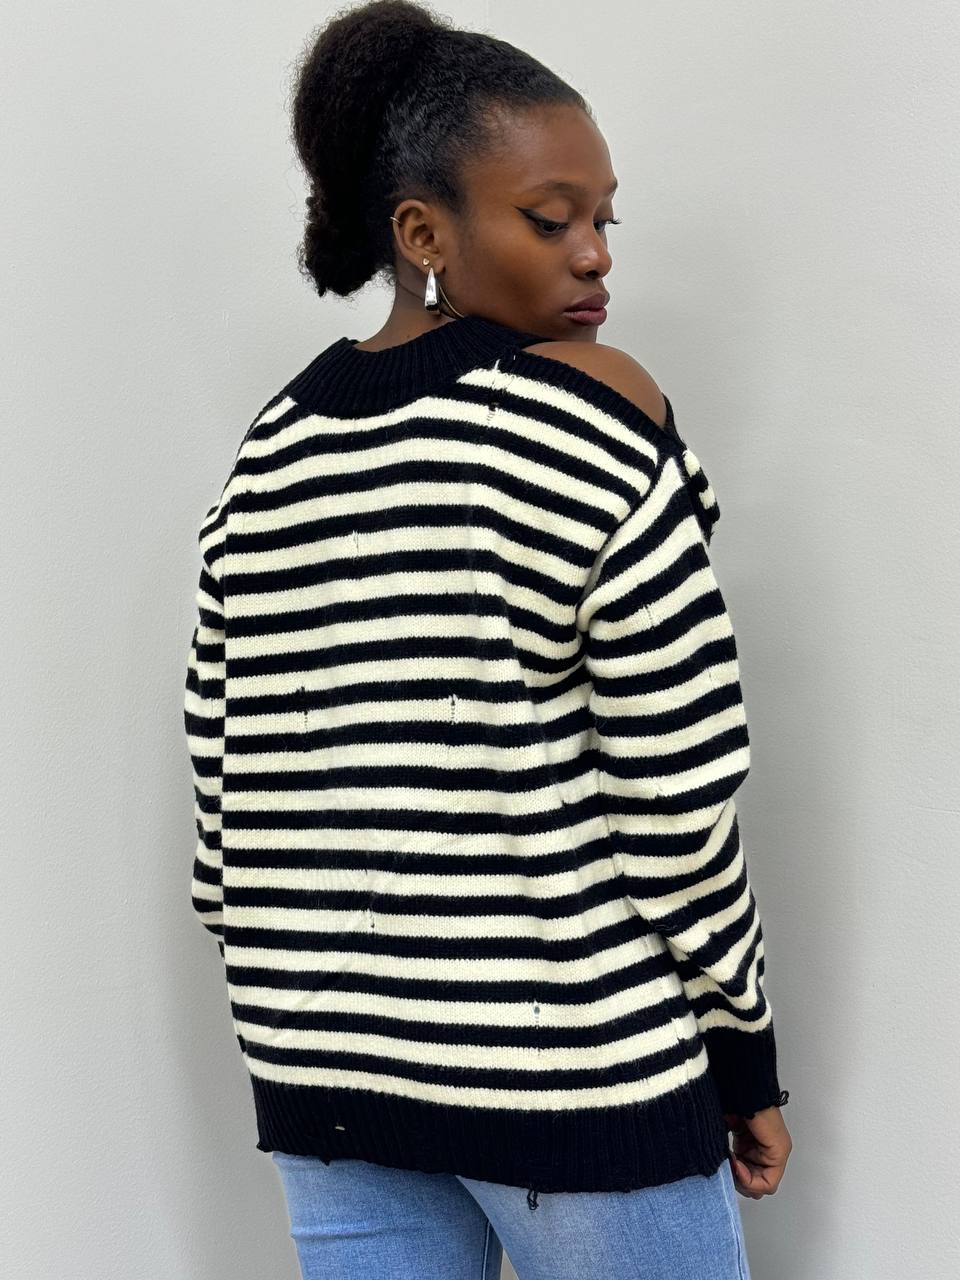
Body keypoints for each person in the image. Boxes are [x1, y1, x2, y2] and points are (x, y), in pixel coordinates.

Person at [183, 2, 792, 1276]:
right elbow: (679, 790)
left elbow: (221, 800)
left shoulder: (269, 453)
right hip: (573, 1074)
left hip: (324, 1071)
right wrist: (742, 1049)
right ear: (424, 234)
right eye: (549, 219)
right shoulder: (596, 418)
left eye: (604, 219)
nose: (595, 256)